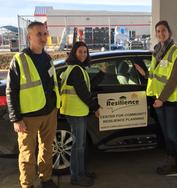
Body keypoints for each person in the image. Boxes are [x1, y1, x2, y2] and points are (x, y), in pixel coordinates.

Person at [6, 21, 60, 188]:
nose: (43, 37)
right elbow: (11, 91)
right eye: (39, 34)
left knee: (47, 149)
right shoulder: (19, 60)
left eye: (45, 33)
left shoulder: (47, 58)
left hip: (49, 112)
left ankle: (46, 178)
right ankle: (27, 184)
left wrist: (55, 106)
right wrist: (16, 119)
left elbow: (52, 84)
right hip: (28, 117)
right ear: (29, 37)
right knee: (27, 154)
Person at [135, 20, 177, 178]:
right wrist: (144, 73)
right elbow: (156, 74)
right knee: (166, 134)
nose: (160, 33)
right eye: (158, 31)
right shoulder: (157, 51)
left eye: (163, 30)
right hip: (158, 99)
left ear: (169, 32)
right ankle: (171, 161)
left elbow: (173, 79)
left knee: (172, 134)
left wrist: (162, 99)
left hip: (170, 100)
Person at [60, 41, 104, 187]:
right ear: (74, 53)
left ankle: (81, 172)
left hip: (76, 111)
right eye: (80, 52)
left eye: (85, 52)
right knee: (78, 146)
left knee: (80, 144)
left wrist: (102, 74)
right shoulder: (76, 70)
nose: (83, 54)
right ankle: (76, 177)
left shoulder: (76, 68)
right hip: (75, 112)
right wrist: (95, 107)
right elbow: (84, 93)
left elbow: (87, 85)